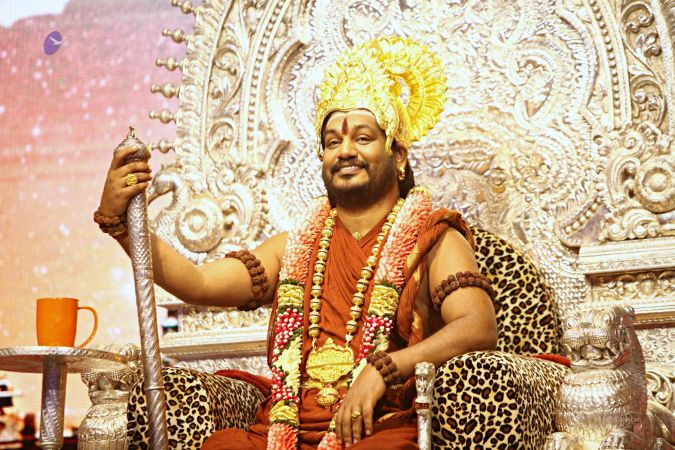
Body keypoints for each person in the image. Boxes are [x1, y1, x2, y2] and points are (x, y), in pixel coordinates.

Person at [96, 36, 497, 449]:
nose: (345, 151)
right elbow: (197, 283)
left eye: (362, 138)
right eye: (332, 142)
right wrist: (122, 226)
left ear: (398, 156)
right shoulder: (295, 249)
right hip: (285, 430)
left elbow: (478, 326)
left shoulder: (434, 238)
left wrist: (383, 368)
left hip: (378, 427)